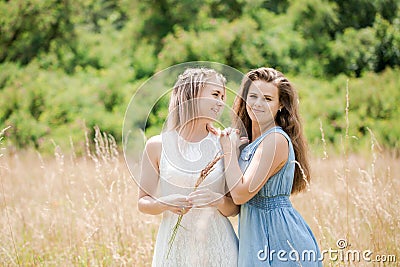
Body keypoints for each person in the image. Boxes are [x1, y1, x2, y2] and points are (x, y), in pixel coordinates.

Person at [219, 67, 322, 266]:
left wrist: (228, 152)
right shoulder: (248, 142)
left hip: (280, 241)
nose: (258, 104)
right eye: (253, 96)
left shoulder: (275, 140)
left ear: (281, 104)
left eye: (267, 99)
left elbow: (241, 194)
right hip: (254, 239)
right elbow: (235, 204)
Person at [138, 68, 239, 266]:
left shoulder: (225, 143)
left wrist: (218, 200)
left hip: (218, 245)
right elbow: (143, 202)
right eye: (215, 94)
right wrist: (164, 203)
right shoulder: (156, 145)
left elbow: (234, 208)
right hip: (174, 247)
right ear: (191, 94)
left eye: (223, 96)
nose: (221, 102)